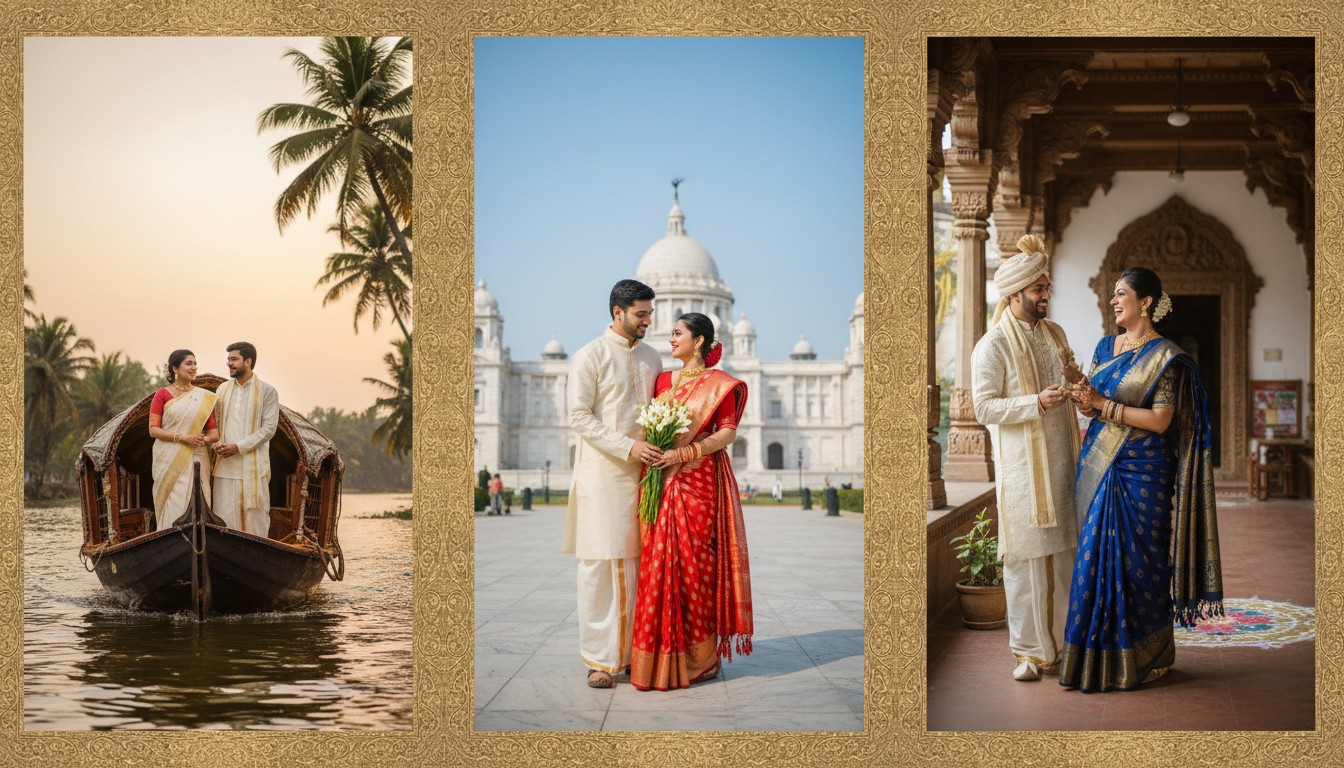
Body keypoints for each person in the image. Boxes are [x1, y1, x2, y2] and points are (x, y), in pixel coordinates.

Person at [1062, 267, 1223, 692]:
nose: (1114, 301)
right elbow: (1093, 407)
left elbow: (1161, 420)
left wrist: (1102, 404)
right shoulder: (1103, 346)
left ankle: (1147, 654)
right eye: (1112, 295)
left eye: (1121, 294)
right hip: (1101, 462)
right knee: (1093, 558)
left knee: (1144, 565)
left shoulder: (1165, 356)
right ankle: (1092, 658)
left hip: (1144, 470)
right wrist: (1084, 400)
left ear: (1146, 302)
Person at [970, 235, 1083, 681]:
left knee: (1064, 558)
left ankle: (1065, 644)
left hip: (1062, 462)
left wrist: (1077, 385)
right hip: (1022, 474)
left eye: (1047, 287)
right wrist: (1034, 402)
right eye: (1039, 289)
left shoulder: (1055, 335)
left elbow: (1070, 373)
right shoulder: (992, 345)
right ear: (1015, 294)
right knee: (1026, 563)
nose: (1047, 295)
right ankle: (1030, 654)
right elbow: (983, 408)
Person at [630, 312, 754, 691]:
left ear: (699, 340)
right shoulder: (663, 379)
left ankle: (700, 660)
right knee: (657, 565)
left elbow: (728, 433)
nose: (670, 339)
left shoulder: (721, 384)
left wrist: (685, 454)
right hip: (658, 481)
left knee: (695, 566)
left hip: (697, 483)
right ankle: (654, 661)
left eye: (678, 333)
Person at [564, 279, 663, 688]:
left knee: (639, 566)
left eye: (650, 314)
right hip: (603, 476)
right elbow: (579, 417)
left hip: (644, 477)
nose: (647, 322)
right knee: (600, 566)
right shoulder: (590, 356)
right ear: (617, 312)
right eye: (641, 314)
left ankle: (631, 656)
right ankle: (600, 661)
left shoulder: (653, 358)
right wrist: (629, 447)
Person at [211, 341, 280, 537]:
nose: (229, 363)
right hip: (225, 466)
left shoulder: (267, 391)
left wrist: (238, 447)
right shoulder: (221, 390)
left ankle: (256, 556)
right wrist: (217, 443)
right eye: (228, 359)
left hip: (253, 466)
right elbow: (215, 424)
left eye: (234, 359)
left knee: (255, 517)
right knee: (224, 517)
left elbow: (269, 429)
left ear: (248, 361)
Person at [147, 350, 220, 531]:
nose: (194, 367)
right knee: (172, 497)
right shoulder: (162, 394)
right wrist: (182, 437)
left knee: (199, 494)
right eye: (189, 363)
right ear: (175, 368)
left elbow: (214, 434)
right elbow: (153, 430)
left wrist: (203, 440)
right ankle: (168, 533)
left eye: (195, 363)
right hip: (168, 455)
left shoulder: (205, 398)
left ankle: (200, 533)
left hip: (197, 455)